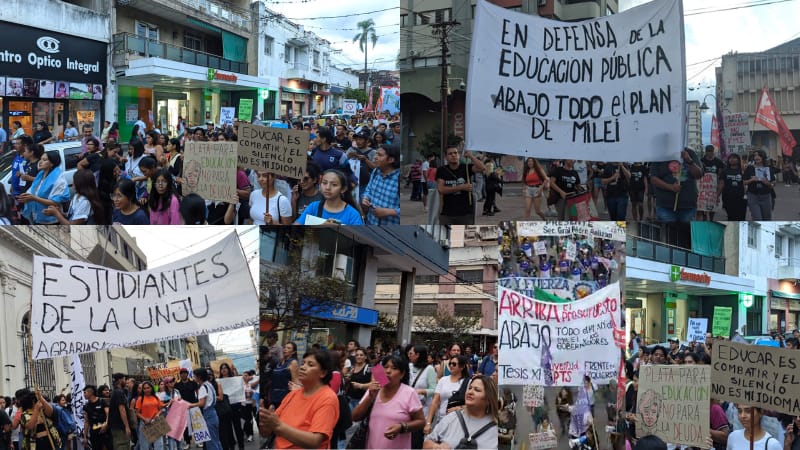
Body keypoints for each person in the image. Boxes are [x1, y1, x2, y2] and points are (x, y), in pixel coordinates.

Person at [257, 349, 339, 449]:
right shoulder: (293, 394)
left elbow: (315, 441)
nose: (303, 367)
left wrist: (278, 426)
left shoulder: (327, 398)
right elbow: (268, 432)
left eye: (310, 365)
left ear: (323, 373)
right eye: (303, 363)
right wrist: (264, 422)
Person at [351, 355, 425, 450]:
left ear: (402, 374)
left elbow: (421, 421)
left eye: (394, 368)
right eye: (385, 367)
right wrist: (370, 396)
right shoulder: (374, 389)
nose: (388, 371)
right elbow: (355, 417)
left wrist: (401, 427)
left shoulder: (409, 393)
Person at [423, 375, 498, 450]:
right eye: (469, 388)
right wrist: (436, 447)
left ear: (488, 399)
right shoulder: (451, 418)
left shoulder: (495, 427)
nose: (470, 392)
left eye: (477, 390)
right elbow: (426, 443)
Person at [649, 148, 703, 222]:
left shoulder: (690, 153)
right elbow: (653, 179)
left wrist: (689, 160)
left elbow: (699, 175)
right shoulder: (660, 154)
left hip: (688, 205)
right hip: (665, 205)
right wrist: (670, 187)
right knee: (667, 232)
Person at [18, 150, 70, 225]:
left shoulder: (59, 179)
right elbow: (33, 190)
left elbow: (55, 202)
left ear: (52, 163)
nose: (40, 162)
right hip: (37, 216)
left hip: (50, 220)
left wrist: (33, 198)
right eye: (41, 159)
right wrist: (25, 197)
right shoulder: (41, 174)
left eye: (44, 160)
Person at [436, 147, 485, 225]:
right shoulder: (442, 170)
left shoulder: (466, 167)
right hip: (447, 213)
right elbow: (441, 189)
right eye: (450, 154)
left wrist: (471, 156)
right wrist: (461, 187)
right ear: (446, 157)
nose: (453, 155)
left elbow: (482, 168)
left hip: (466, 213)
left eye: (455, 153)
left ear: (459, 155)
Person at [295, 170, 364, 225]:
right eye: (324, 183)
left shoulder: (353, 215)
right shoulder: (313, 207)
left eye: (334, 185)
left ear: (343, 189)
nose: (327, 188)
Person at [425, 355, 469, 435]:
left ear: (462, 367)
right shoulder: (443, 380)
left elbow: (473, 404)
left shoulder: (468, 382)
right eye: (450, 364)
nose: (451, 366)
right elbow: (435, 401)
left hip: (458, 422)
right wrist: (428, 422)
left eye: (454, 364)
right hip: (441, 420)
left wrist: (460, 408)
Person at [361, 145, 400, 225]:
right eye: (376, 154)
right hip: (370, 222)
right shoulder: (375, 172)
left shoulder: (398, 178)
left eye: (380, 155)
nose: (375, 157)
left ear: (391, 159)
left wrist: (390, 212)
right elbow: (368, 190)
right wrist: (365, 198)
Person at [187, 369, 222, 450]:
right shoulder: (209, 385)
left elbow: (202, 403)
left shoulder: (203, 387)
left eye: (194, 376)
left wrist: (190, 405)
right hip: (213, 413)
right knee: (216, 440)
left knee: (211, 443)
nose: (193, 377)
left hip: (208, 414)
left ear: (199, 377)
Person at [744, 149, 776, 220]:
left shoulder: (768, 169)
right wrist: (751, 180)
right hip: (753, 196)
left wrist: (768, 183)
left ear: (763, 157)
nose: (756, 157)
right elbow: (743, 182)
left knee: (767, 218)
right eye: (755, 155)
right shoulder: (749, 168)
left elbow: (773, 183)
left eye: (759, 155)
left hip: (766, 196)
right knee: (757, 218)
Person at [134, 382, 164, 450]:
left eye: (148, 388)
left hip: (156, 421)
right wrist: (145, 419)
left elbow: (161, 409)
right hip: (145, 423)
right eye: (144, 388)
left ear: (151, 388)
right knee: (144, 446)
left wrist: (158, 414)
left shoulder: (156, 397)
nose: (146, 390)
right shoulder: (140, 399)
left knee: (159, 445)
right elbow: (137, 413)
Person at [717, 153, 747, 220]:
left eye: (734, 158)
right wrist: (717, 196)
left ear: (738, 160)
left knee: (741, 217)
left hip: (741, 198)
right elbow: (721, 184)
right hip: (728, 198)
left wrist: (746, 195)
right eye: (730, 158)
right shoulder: (725, 171)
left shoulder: (742, 171)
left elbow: (745, 184)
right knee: (731, 217)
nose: (732, 159)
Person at [269, 342, 299, 409]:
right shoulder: (280, 362)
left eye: (288, 348)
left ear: (293, 352)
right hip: (274, 396)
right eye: (285, 347)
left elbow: (295, 382)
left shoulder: (293, 362)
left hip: (284, 397)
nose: (285, 349)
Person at [699, 145, 725, 220]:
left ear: (713, 152)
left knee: (712, 205)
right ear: (706, 152)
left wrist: (719, 179)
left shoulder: (718, 161)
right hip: (703, 187)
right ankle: (704, 219)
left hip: (713, 186)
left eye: (711, 151)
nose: (709, 153)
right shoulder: (701, 160)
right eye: (708, 151)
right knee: (703, 206)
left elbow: (723, 171)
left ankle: (711, 219)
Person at [107, 374, 131, 450]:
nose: (125, 381)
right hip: (120, 426)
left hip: (116, 426)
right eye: (124, 379)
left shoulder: (115, 392)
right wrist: (126, 426)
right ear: (120, 380)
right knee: (122, 445)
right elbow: (122, 410)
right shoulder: (119, 392)